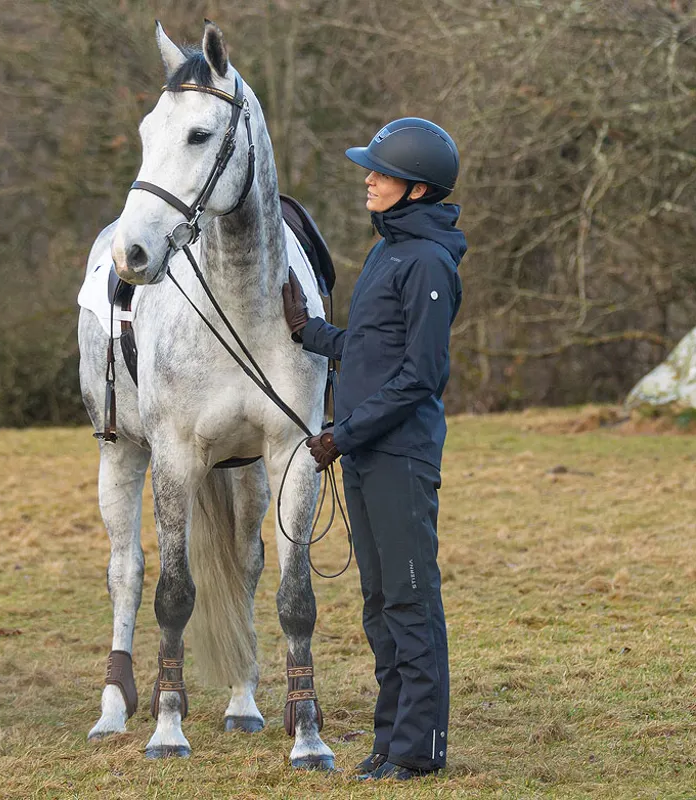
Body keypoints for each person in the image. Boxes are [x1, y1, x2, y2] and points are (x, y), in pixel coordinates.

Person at [282, 118, 466, 781]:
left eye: (381, 173)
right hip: (362, 455)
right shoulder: (391, 250)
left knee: (410, 601)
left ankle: (420, 750)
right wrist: (311, 332)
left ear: (416, 188)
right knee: (378, 602)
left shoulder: (426, 263)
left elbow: (420, 376)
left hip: (398, 456)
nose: (368, 178)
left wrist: (340, 435)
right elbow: (371, 346)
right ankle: (391, 742)